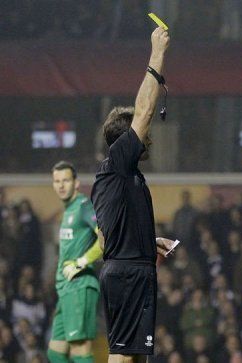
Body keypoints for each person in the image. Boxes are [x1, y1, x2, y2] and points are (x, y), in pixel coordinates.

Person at [91, 26, 177, 363]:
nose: (149, 136)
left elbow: (105, 234)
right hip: (127, 274)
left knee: (135, 357)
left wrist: (145, 240)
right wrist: (157, 53)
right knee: (124, 357)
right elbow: (142, 112)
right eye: (143, 133)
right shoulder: (118, 163)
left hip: (131, 267)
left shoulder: (121, 175)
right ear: (125, 140)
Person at [48, 161, 103, 363]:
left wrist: (81, 262)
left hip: (79, 286)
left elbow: (104, 238)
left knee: (80, 349)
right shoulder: (69, 210)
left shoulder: (83, 206)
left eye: (66, 180)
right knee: (55, 352)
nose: (61, 185)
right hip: (66, 289)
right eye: (57, 181)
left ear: (76, 183)